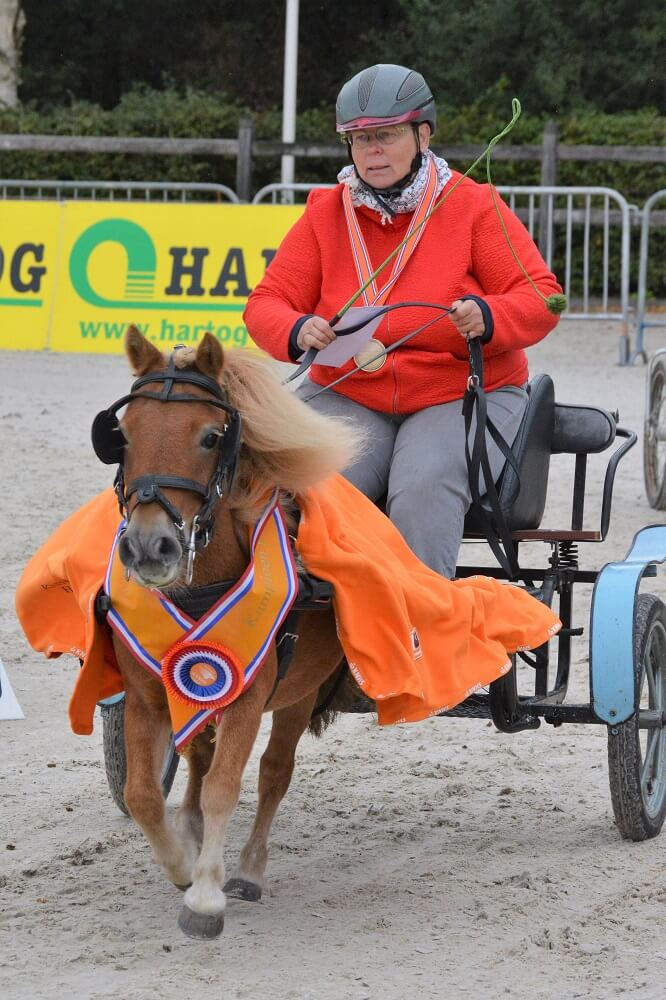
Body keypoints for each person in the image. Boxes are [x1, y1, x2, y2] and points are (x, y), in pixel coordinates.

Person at [243, 64, 562, 579]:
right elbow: (265, 302)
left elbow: (543, 296)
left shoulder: (473, 206)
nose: (372, 150)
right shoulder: (327, 212)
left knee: (422, 486)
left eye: (387, 135)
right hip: (352, 391)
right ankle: (313, 614)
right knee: (304, 480)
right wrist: (297, 329)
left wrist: (488, 316)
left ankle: (419, 619)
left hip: (457, 392)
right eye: (360, 138)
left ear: (423, 135)